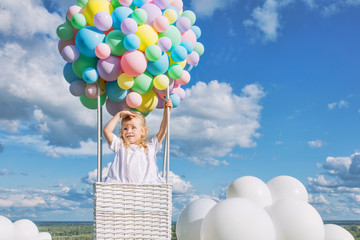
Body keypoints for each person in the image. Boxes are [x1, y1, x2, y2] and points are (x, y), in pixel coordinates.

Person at [103, 99, 173, 183]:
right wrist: (118, 115)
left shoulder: (150, 147)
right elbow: (107, 131)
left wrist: (166, 111)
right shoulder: (120, 145)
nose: (129, 131)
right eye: (125, 128)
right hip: (122, 190)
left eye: (133, 128)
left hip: (145, 190)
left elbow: (163, 131)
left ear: (143, 131)